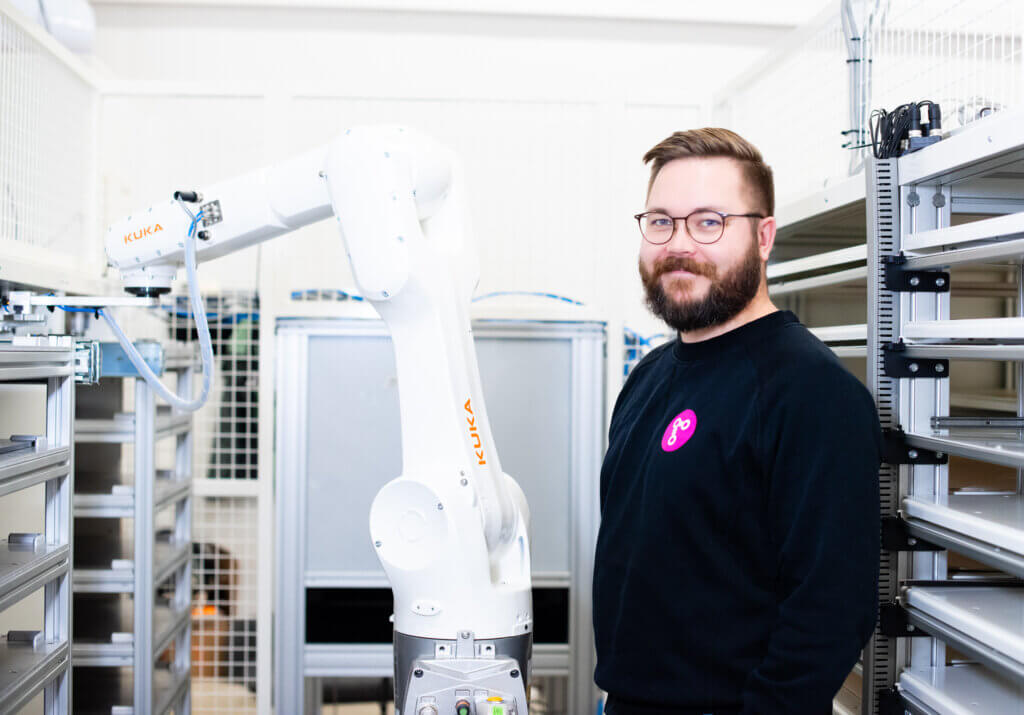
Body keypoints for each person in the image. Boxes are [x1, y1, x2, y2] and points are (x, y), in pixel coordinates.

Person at [593, 128, 882, 715]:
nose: (678, 244)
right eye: (660, 221)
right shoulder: (647, 378)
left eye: (708, 222)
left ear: (764, 236)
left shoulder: (813, 393)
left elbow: (831, 610)